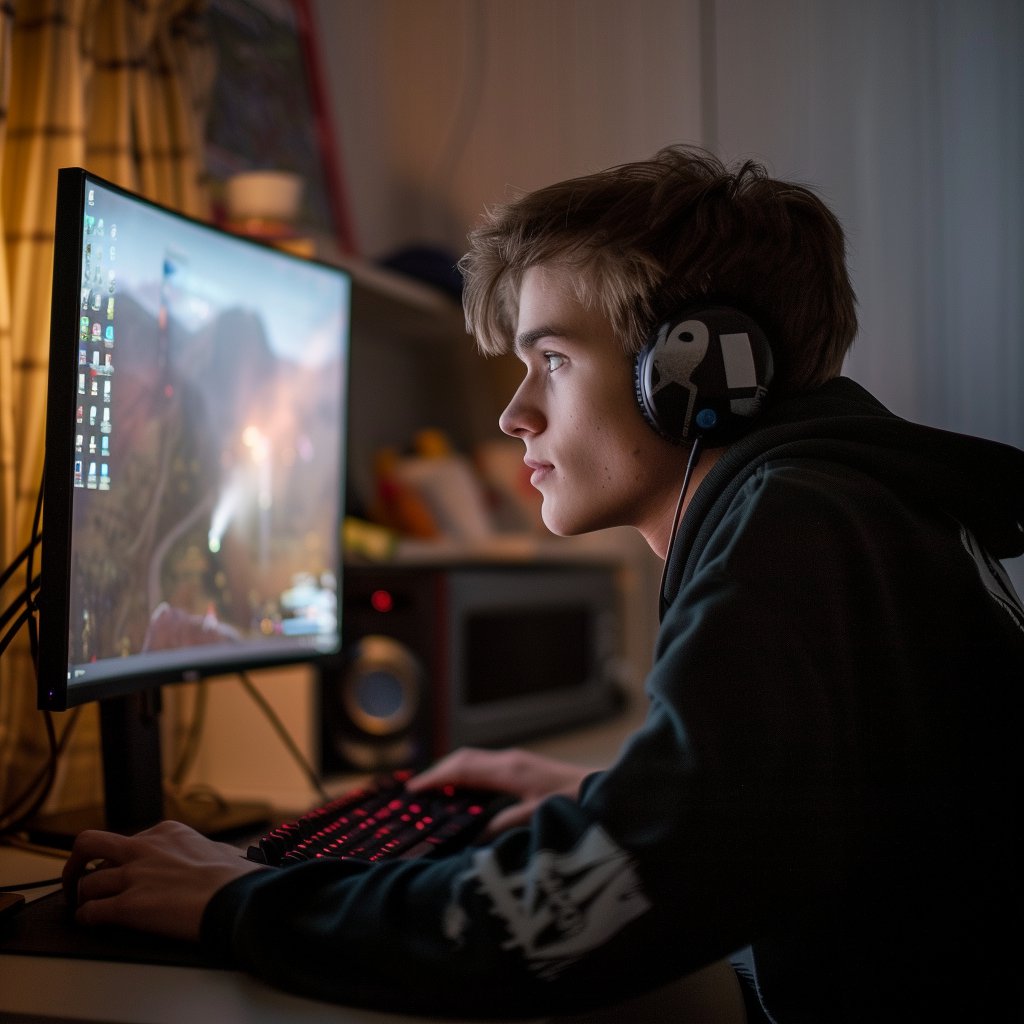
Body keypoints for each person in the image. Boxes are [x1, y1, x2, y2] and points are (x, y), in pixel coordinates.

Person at [64, 146, 1024, 1022]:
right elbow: (788, 822)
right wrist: (621, 797)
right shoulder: (855, 506)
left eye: (553, 361)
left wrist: (236, 900)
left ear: (694, 376)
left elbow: (570, 917)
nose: (515, 416)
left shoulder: (796, 526)